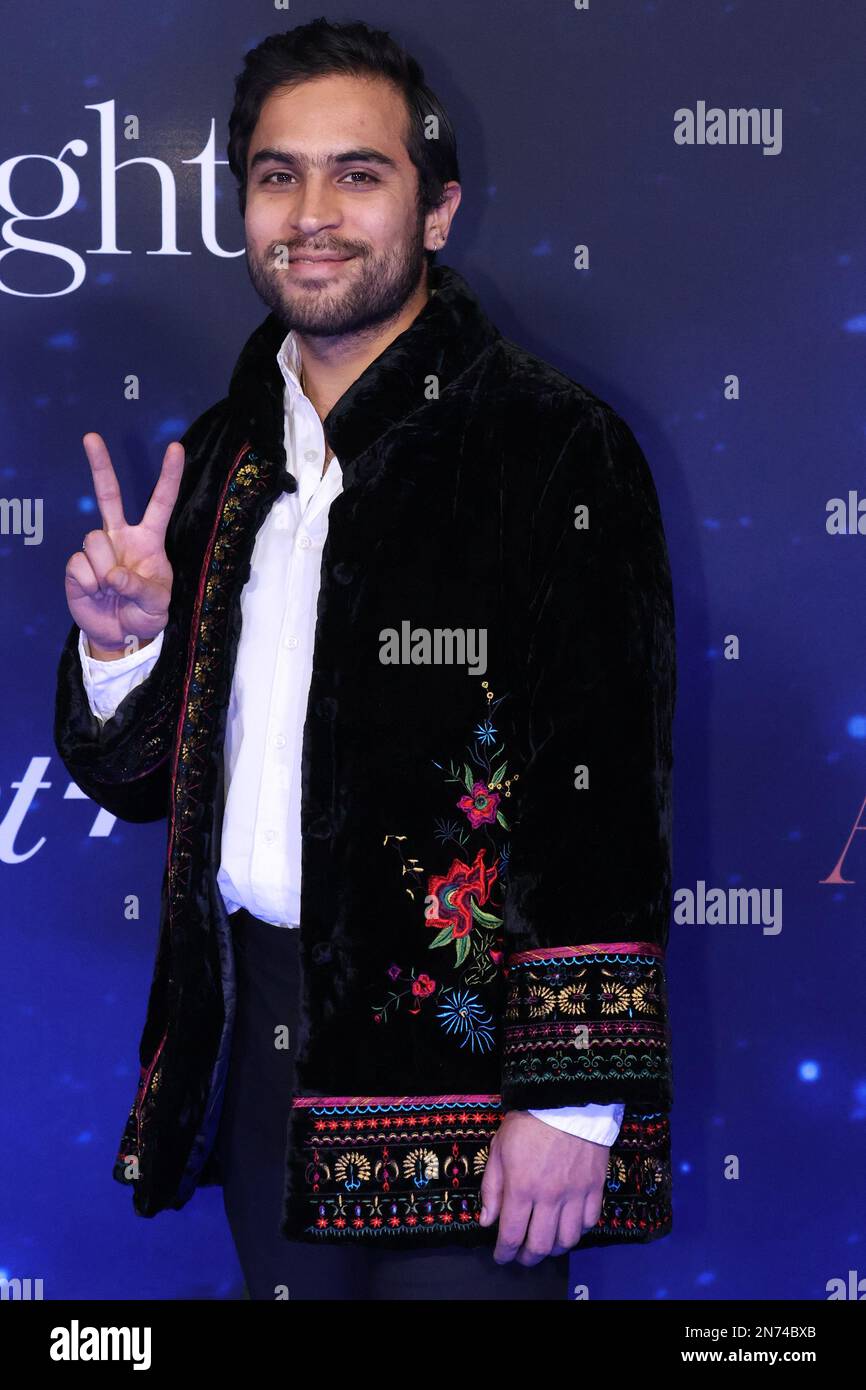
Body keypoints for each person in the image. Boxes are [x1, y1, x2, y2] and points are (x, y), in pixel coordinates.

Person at [54, 17, 676, 1301]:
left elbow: (598, 793)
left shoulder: (551, 447)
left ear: (436, 210)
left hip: (470, 1071)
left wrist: (578, 1100)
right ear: (243, 206)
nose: (313, 212)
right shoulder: (221, 456)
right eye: (279, 175)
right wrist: (123, 651)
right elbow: (137, 783)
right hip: (260, 1038)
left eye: (358, 172)